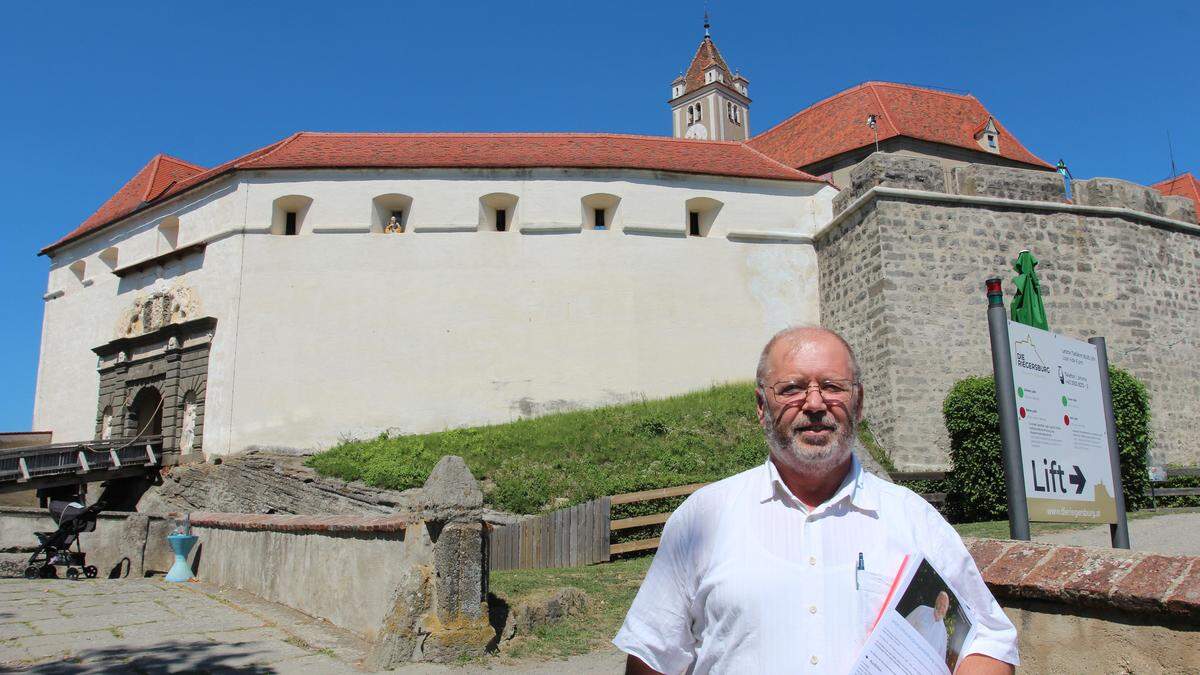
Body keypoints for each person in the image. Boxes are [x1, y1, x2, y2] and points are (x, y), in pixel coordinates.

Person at [613, 326, 1018, 674]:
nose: (814, 403)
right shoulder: (703, 518)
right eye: (791, 388)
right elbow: (653, 657)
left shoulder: (913, 519)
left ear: (857, 404)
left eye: (831, 386)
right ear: (761, 407)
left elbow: (988, 639)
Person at [906, 590, 951, 660]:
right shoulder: (921, 610)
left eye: (944, 606)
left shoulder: (944, 634)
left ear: (946, 610)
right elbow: (904, 626)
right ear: (936, 601)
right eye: (940, 603)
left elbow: (940, 659)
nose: (941, 608)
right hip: (906, 654)